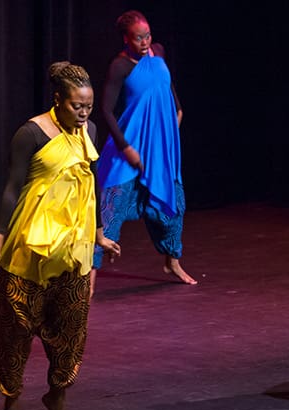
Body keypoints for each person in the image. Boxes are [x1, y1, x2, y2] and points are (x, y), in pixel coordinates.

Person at [0, 61, 120, 410]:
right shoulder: (31, 133)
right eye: (76, 106)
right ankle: (10, 406)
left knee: (70, 331)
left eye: (88, 106)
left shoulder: (91, 131)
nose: (83, 113)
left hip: (72, 250)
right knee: (15, 329)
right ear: (58, 101)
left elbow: (91, 186)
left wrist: (100, 234)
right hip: (29, 248)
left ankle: (58, 396)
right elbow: (11, 187)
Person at [91, 9, 197, 293]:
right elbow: (105, 110)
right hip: (132, 143)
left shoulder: (158, 52)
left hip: (161, 146)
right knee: (111, 209)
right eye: (139, 37)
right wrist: (125, 148)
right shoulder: (120, 66)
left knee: (174, 205)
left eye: (148, 35)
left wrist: (177, 111)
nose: (145, 41)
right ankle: (88, 277)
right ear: (126, 39)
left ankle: (171, 261)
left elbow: (167, 87)